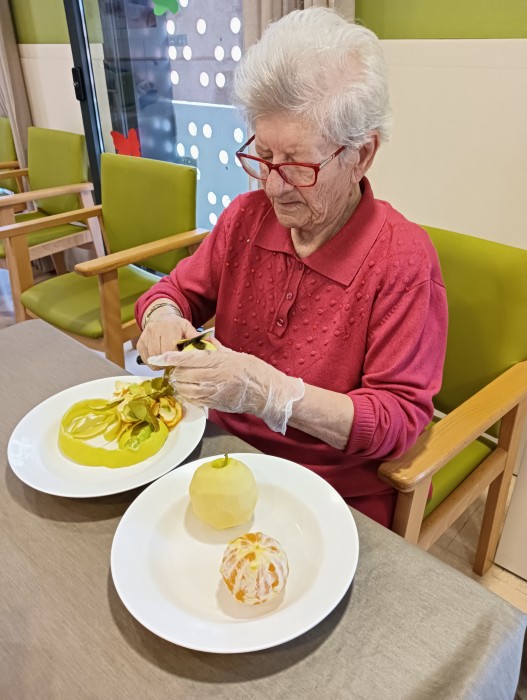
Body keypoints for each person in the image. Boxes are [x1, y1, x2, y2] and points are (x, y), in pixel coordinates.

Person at [135, 8, 448, 528]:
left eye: (298, 165)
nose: (274, 186)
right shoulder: (245, 218)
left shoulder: (403, 262)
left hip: (333, 488)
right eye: (263, 156)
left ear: (362, 154)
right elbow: (174, 292)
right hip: (222, 449)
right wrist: (162, 316)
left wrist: (272, 394)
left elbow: (396, 419)